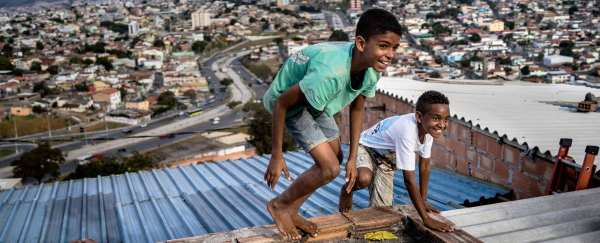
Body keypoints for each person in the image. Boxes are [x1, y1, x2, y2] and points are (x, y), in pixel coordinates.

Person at [262, 8, 402, 240]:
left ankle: (292, 210)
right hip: (290, 103)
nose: (390, 54)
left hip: (317, 101)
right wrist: (277, 155)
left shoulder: (371, 70)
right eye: (384, 45)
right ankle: (279, 205)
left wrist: (352, 157)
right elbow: (281, 103)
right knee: (329, 168)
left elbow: (357, 109)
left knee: (335, 159)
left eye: (394, 48)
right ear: (360, 43)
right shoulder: (329, 74)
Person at [338, 90, 456, 233]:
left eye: (445, 119)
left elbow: (424, 166)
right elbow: (409, 180)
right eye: (437, 118)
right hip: (364, 148)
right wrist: (426, 219)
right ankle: (347, 190)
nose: (442, 125)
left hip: (386, 162)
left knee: (381, 213)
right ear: (419, 116)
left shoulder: (428, 130)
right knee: (364, 178)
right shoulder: (407, 130)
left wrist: (423, 201)